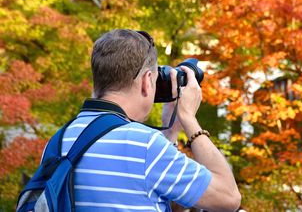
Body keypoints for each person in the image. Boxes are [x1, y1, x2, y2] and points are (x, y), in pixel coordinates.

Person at [60, 29, 241, 211]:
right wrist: (188, 118)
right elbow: (228, 198)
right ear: (147, 81)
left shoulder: (61, 139)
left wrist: (170, 132)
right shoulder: (145, 145)